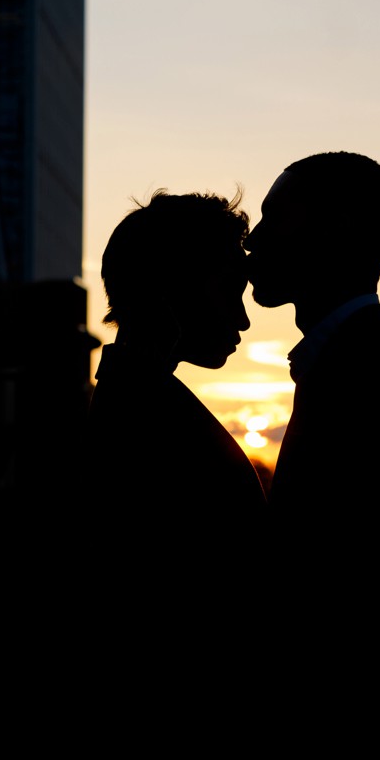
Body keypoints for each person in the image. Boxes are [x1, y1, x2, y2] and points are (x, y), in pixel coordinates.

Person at [246, 152, 380, 758]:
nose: (254, 239)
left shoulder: (368, 379)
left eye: (273, 219)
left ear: (334, 229)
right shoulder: (364, 364)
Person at [77, 190, 266, 594]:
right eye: (229, 289)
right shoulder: (145, 420)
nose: (244, 319)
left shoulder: (131, 404)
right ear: (172, 289)